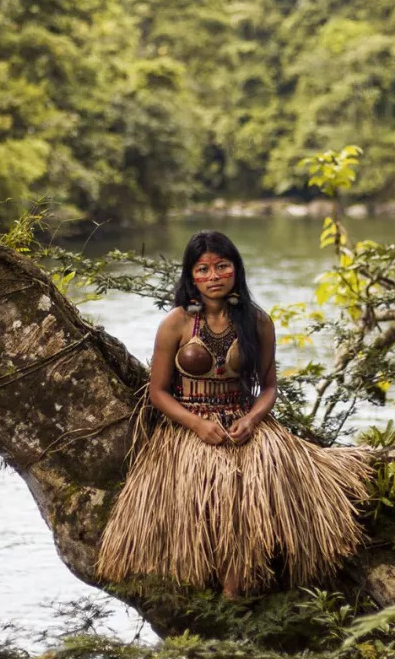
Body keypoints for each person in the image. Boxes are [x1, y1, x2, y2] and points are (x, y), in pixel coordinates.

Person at [97, 229, 369, 597]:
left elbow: (269, 387)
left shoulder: (257, 321)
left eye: (222, 266)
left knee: (247, 489)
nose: (213, 277)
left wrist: (252, 419)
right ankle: (205, 581)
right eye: (203, 269)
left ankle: (238, 588)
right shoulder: (176, 323)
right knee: (211, 494)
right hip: (189, 431)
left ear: (236, 270)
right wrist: (195, 424)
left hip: (245, 423)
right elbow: (158, 392)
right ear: (191, 276)